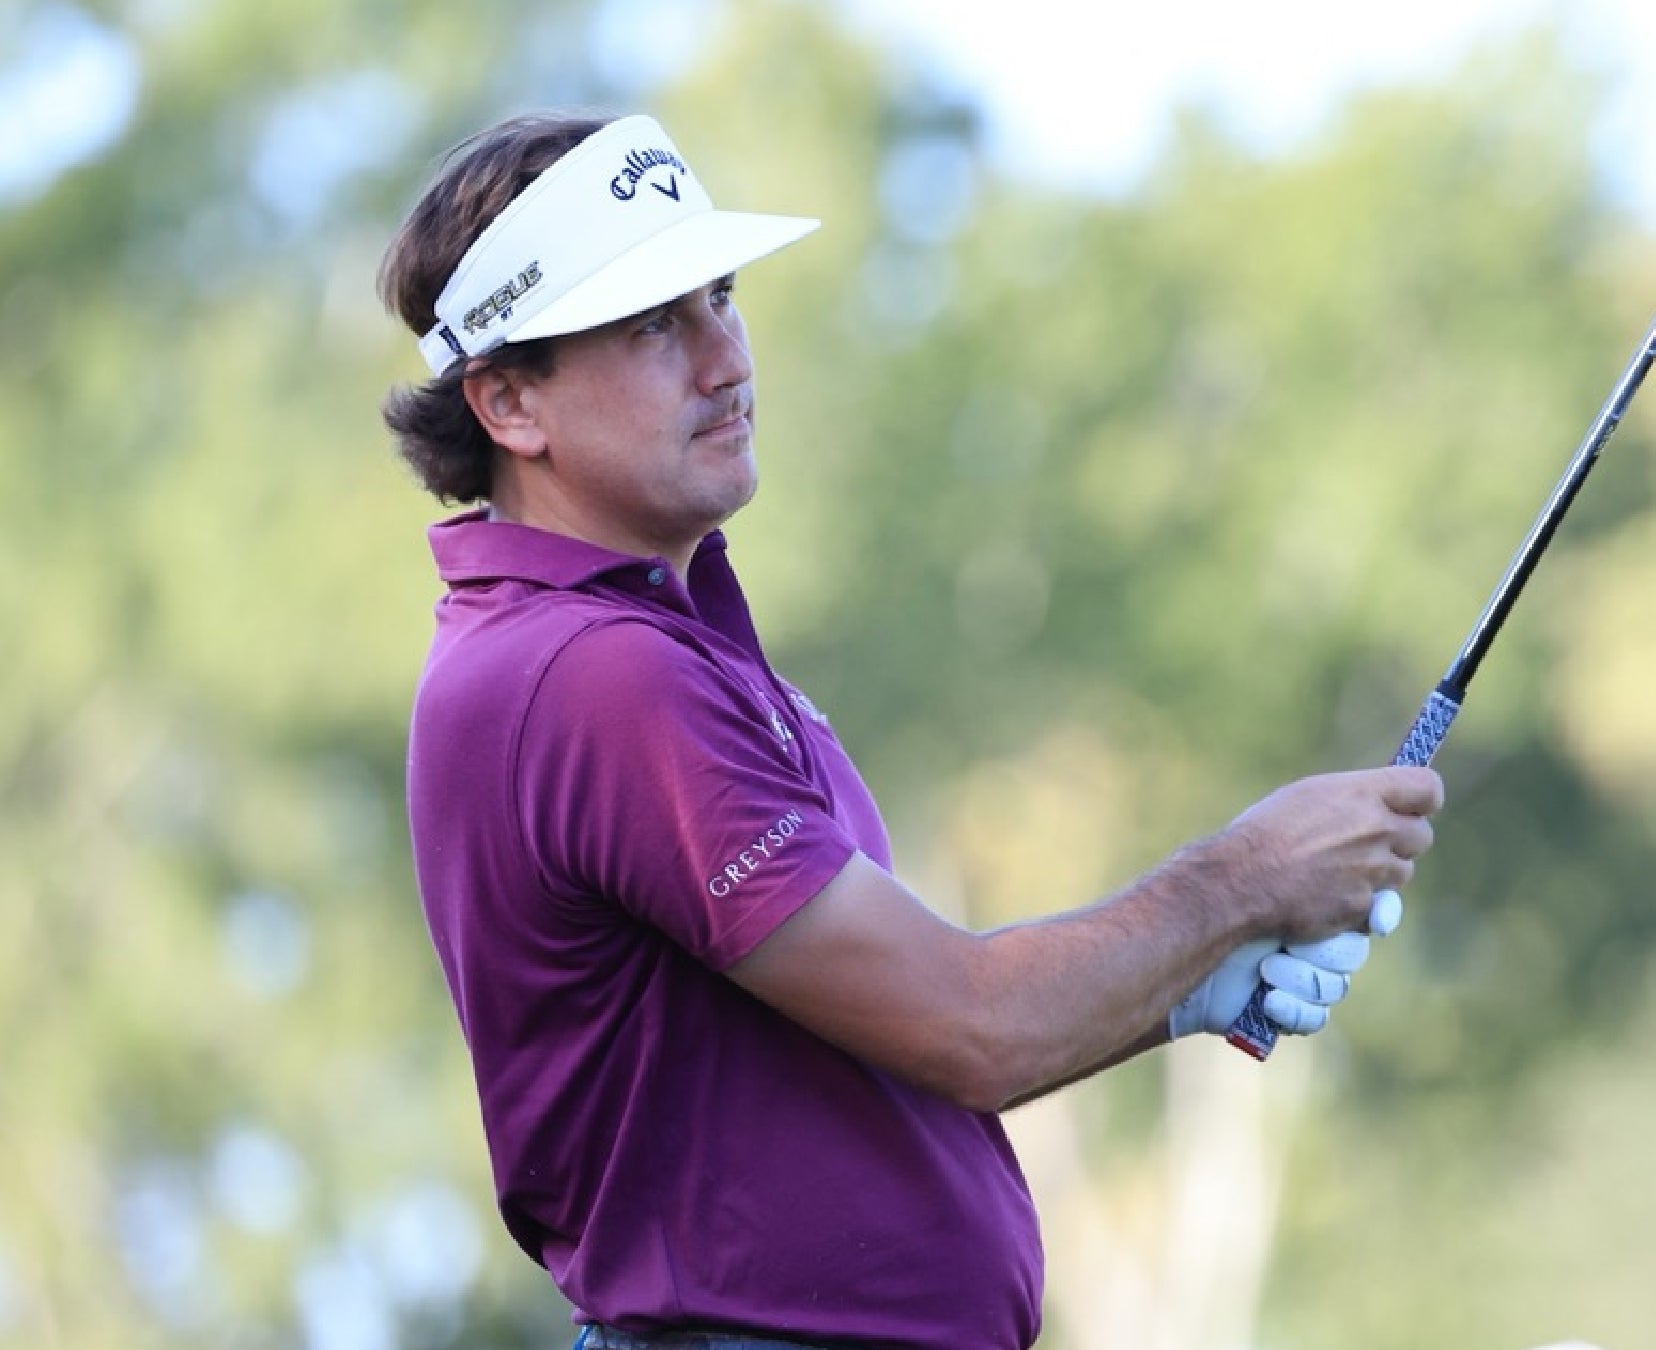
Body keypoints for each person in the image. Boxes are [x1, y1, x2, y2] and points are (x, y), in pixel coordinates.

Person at [380, 111, 1441, 1350]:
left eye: (721, 299)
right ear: (510, 402)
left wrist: (1178, 985)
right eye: (654, 325)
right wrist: (1244, 878)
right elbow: (970, 1023)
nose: (726, 362)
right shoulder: (590, 674)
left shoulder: (628, 650)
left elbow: (878, 1051)